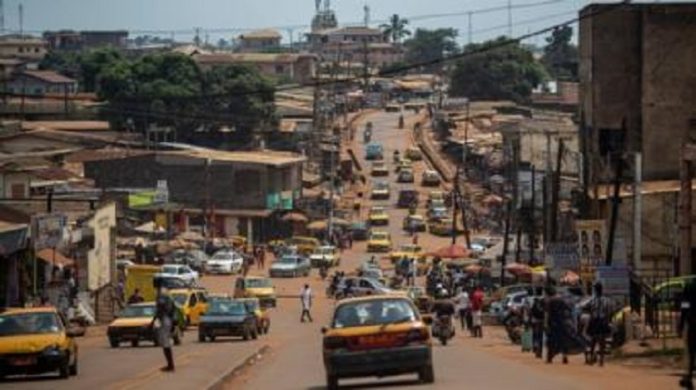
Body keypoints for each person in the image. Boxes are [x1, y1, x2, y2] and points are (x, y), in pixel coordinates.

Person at [150, 277, 176, 372]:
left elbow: (160, 308)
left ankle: (170, 365)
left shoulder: (161, 292)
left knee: (165, 343)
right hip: (167, 318)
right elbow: (173, 306)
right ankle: (170, 364)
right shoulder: (166, 291)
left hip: (164, 318)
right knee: (165, 343)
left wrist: (155, 321)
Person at [545, 285, 571, 364]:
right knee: (563, 340)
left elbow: (547, 314)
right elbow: (568, 311)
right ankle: (565, 357)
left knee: (551, 340)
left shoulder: (549, 301)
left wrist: (546, 324)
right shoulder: (562, 300)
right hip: (562, 322)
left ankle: (550, 358)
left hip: (553, 323)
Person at [588, 282, 612, 366]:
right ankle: (601, 359)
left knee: (593, 340)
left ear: (595, 290)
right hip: (602, 321)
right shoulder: (606, 300)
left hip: (596, 320)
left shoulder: (593, 300)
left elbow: (590, 309)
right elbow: (609, 311)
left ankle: (592, 357)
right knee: (602, 341)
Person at [680, 277, 696, 389]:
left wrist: (682, 321)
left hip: (693, 322)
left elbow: (685, 305)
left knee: (691, 350)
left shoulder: (690, 286)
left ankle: (689, 376)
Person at [530, 288, 546, 359]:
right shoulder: (545, 300)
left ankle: (536, 348)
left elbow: (532, 311)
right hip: (544, 320)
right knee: (542, 336)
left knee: (536, 335)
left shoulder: (535, 300)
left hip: (536, 320)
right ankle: (541, 351)